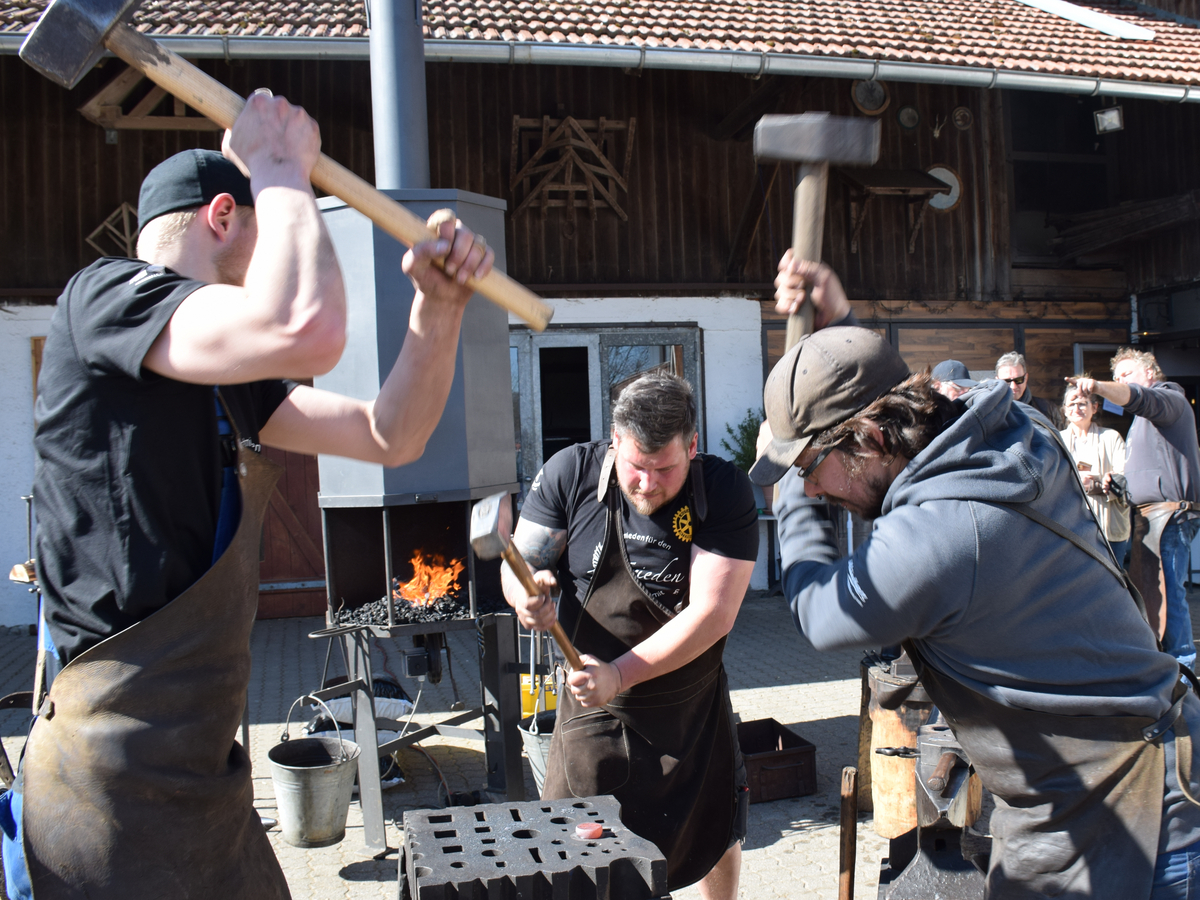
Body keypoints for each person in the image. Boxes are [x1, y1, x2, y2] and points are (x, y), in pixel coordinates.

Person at [5, 93, 494, 900]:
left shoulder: (234, 383)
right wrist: (281, 167)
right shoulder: (104, 299)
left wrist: (435, 312)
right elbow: (309, 329)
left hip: (204, 780)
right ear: (225, 217)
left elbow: (389, 437)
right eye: (273, 222)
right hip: (106, 791)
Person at [752, 249, 1200, 900]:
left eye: (813, 467)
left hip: (1132, 815)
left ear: (873, 440)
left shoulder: (942, 535)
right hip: (1101, 788)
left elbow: (823, 616)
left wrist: (788, 494)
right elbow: (916, 415)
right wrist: (838, 332)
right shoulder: (1017, 432)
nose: (814, 488)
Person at [502, 373, 758, 899]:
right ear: (615, 441)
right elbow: (520, 562)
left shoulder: (723, 491)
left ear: (692, 445)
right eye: (635, 467)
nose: (646, 483)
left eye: (664, 469)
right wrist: (524, 594)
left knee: (717, 834)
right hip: (595, 710)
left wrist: (622, 673)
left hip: (692, 708)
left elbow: (713, 613)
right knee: (581, 852)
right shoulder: (570, 473)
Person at [1071, 349, 1200, 670]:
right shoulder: (1145, 420)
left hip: (1169, 514)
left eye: (1126, 374)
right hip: (1146, 516)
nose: (1120, 381)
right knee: (1151, 593)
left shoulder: (1169, 399)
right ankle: (1165, 662)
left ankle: (1182, 666)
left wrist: (1097, 386)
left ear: (1150, 373)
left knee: (1168, 591)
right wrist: (1117, 481)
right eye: (1116, 377)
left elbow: (1138, 398)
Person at [1060, 381, 1132, 565]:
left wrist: (1098, 483)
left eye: (1082, 403)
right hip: (1071, 528)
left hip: (1109, 526)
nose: (1077, 407)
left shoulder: (1111, 437)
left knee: (1114, 583)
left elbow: (1125, 479)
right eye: (1072, 403)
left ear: (1094, 407)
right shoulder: (1057, 440)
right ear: (1065, 410)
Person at [996, 350, 1066, 429]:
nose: (1013, 386)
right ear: (997, 381)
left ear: (1026, 378)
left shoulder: (1047, 409)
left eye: (1018, 380)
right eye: (1007, 381)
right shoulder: (991, 412)